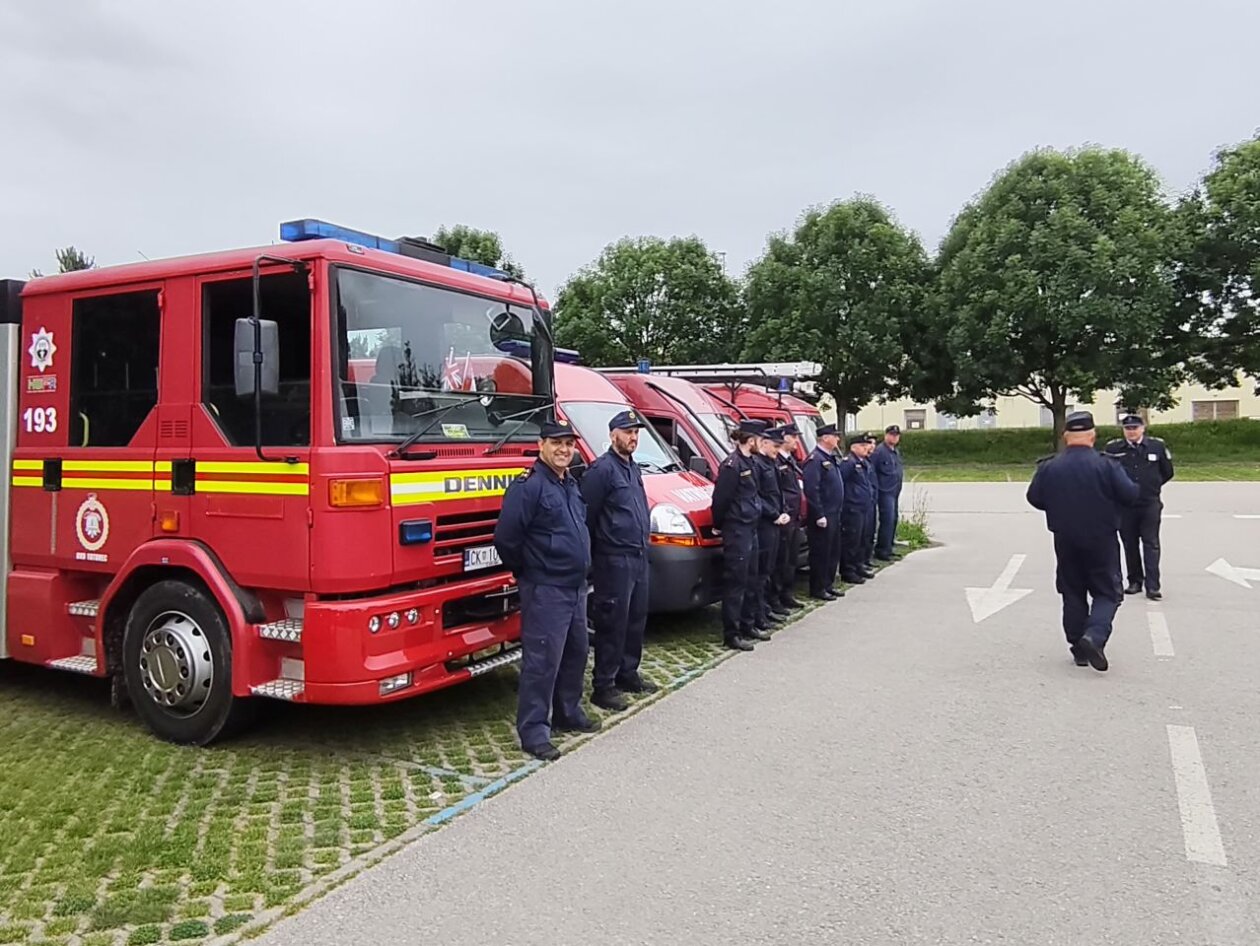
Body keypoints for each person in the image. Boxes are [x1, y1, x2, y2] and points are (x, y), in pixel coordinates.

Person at [493, 418, 599, 761]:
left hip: (575, 587)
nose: (564, 450)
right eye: (557, 443)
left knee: (575, 653)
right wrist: (529, 572)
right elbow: (507, 538)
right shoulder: (529, 486)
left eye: (569, 444)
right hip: (546, 588)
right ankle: (535, 730)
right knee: (542, 662)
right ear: (541, 445)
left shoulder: (568, 483)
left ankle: (568, 712)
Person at [1026, 410, 1140, 672]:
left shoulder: (1049, 466)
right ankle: (1094, 636)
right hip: (1102, 538)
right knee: (1107, 591)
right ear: (1092, 435)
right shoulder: (1107, 465)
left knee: (1072, 590)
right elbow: (1130, 495)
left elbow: (1034, 497)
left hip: (1065, 538)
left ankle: (1078, 648)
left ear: (1066, 436)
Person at [580, 409, 656, 714]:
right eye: (627, 432)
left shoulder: (632, 468)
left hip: (638, 555)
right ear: (613, 435)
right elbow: (588, 516)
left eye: (636, 433)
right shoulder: (602, 470)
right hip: (614, 558)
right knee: (612, 622)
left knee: (636, 619)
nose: (633, 438)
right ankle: (604, 685)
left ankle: (628, 672)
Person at [711, 419, 771, 650]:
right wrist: (719, 524)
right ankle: (732, 633)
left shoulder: (752, 463)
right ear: (751, 439)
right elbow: (720, 500)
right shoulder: (732, 465)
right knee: (736, 582)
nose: (761, 443)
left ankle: (748, 623)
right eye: (759, 439)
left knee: (752, 578)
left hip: (751, 526)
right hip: (737, 529)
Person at [1104, 414, 1175, 600]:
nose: (1132, 431)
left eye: (1135, 428)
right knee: (1130, 544)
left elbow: (1167, 472)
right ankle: (1135, 581)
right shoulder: (1113, 449)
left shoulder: (1156, 446)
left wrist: (1152, 487)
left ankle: (1153, 586)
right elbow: (1107, 474)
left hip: (1149, 503)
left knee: (1151, 544)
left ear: (1143, 428)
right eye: (1128, 428)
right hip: (1125, 505)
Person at [752, 426, 792, 628]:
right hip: (764, 524)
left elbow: (778, 492)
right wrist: (774, 514)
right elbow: (757, 496)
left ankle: (766, 609)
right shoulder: (758, 465)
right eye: (775, 446)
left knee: (770, 569)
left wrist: (783, 510)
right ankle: (759, 615)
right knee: (761, 572)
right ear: (764, 442)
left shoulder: (771, 463)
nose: (778, 449)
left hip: (776, 523)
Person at [802, 424, 845, 600]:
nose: (838, 439)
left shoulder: (829, 457)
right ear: (825, 438)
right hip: (823, 515)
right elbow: (812, 489)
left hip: (834, 512)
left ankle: (828, 584)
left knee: (832, 551)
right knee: (821, 552)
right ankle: (818, 588)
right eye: (835, 436)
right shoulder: (815, 459)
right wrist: (819, 514)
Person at [770, 424, 805, 611]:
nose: (797, 441)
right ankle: (775, 599)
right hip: (784, 517)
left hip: (794, 517)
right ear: (785, 438)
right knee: (780, 560)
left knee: (791, 559)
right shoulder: (776, 462)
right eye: (794, 437)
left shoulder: (789, 461)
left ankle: (787, 594)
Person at [839, 433, 877, 584]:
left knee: (862, 538)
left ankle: (858, 565)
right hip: (852, 507)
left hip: (864, 507)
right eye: (862, 445)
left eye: (866, 445)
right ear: (853, 447)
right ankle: (848, 570)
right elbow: (842, 483)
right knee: (852, 540)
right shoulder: (848, 462)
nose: (866, 448)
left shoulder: (864, 462)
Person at [871, 425, 904, 561]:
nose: (894, 437)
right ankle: (882, 550)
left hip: (894, 490)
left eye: (896, 435)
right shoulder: (879, 452)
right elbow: (872, 471)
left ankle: (889, 547)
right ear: (886, 435)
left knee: (894, 519)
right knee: (887, 520)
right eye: (891, 434)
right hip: (884, 492)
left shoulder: (894, 451)